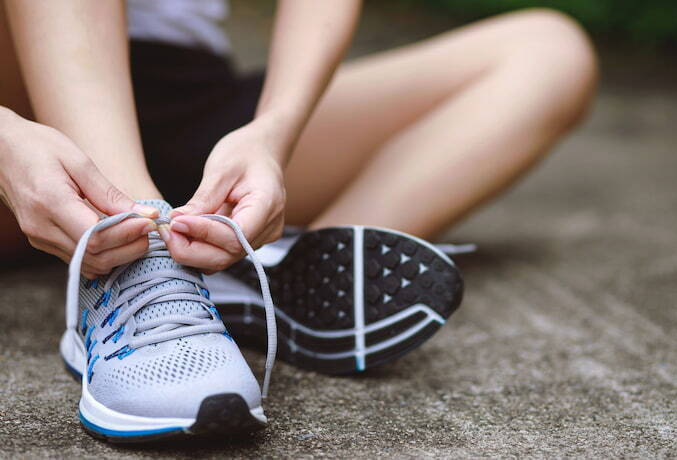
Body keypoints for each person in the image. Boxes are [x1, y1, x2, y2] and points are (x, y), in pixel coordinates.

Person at [0, 0, 597, 442]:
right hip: (16, 110)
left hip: (185, 94)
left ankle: (258, 271)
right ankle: (136, 262)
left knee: (548, 53)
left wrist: (274, 132)